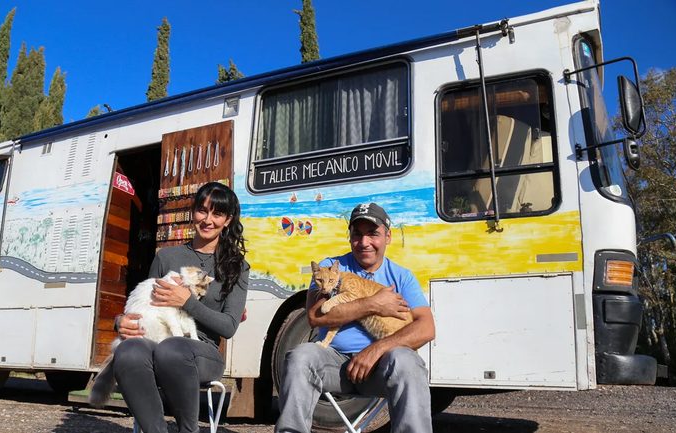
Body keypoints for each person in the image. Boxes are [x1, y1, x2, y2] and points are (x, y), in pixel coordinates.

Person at [275, 203, 436, 433]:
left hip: (380, 368)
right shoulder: (328, 268)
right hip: (335, 365)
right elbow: (315, 316)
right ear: (349, 237)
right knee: (301, 356)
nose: (364, 243)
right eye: (357, 235)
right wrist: (372, 304)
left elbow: (427, 328)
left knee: (408, 361)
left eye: (373, 234)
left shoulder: (402, 277)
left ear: (388, 236)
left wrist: (377, 350)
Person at [113, 182, 249, 433]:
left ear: (228, 220)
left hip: (202, 351)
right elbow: (147, 303)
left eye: (217, 214)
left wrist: (186, 302)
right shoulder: (166, 257)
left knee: (172, 349)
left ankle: (189, 430)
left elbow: (229, 327)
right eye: (202, 210)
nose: (208, 220)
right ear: (193, 212)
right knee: (128, 350)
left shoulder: (236, 266)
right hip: (158, 339)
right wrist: (119, 321)